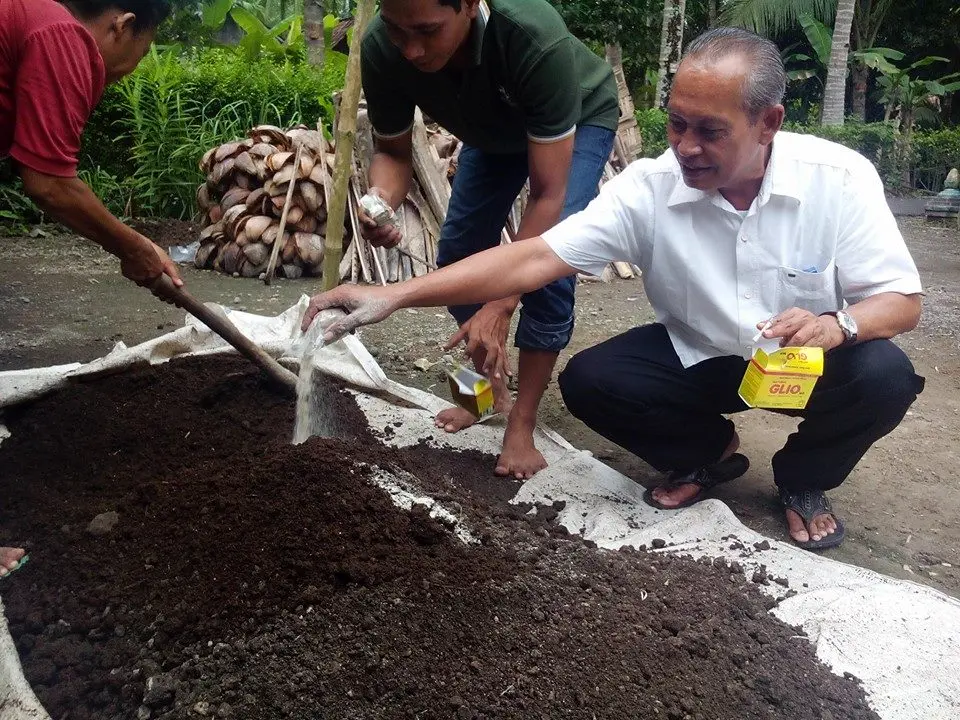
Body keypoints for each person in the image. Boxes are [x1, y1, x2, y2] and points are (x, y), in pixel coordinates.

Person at [302, 27, 925, 551]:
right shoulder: (650, 189)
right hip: (701, 355)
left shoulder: (838, 179)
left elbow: (902, 299)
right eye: (676, 125)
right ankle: (707, 453)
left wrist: (837, 325)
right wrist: (390, 297)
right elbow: (535, 257)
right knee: (593, 381)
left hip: (803, 360)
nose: (685, 147)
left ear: (768, 123)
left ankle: (802, 478)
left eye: (709, 131)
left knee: (883, 375)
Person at [357, 0, 619, 479]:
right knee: (459, 257)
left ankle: (522, 422)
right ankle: (484, 390)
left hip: (575, 120)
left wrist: (502, 301)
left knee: (550, 270)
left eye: (427, 31)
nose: (411, 50)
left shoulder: (532, 38)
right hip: (493, 129)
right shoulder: (381, 45)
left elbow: (548, 194)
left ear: (469, 5)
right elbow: (392, 153)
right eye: (397, 32)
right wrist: (381, 199)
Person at [1, 0, 182, 576]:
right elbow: (50, 182)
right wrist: (133, 246)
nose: (123, 72)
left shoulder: (33, 19)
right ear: (121, 24)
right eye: (138, 54)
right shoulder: (62, 35)